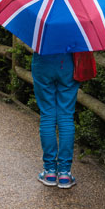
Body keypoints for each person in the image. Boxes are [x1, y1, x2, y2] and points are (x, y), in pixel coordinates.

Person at [30, 52, 79, 188]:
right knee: (66, 116)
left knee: (47, 115)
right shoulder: (75, 29)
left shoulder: (39, 30)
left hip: (43, 61)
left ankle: (50, 171)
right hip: (68, 61)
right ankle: (64, 173)